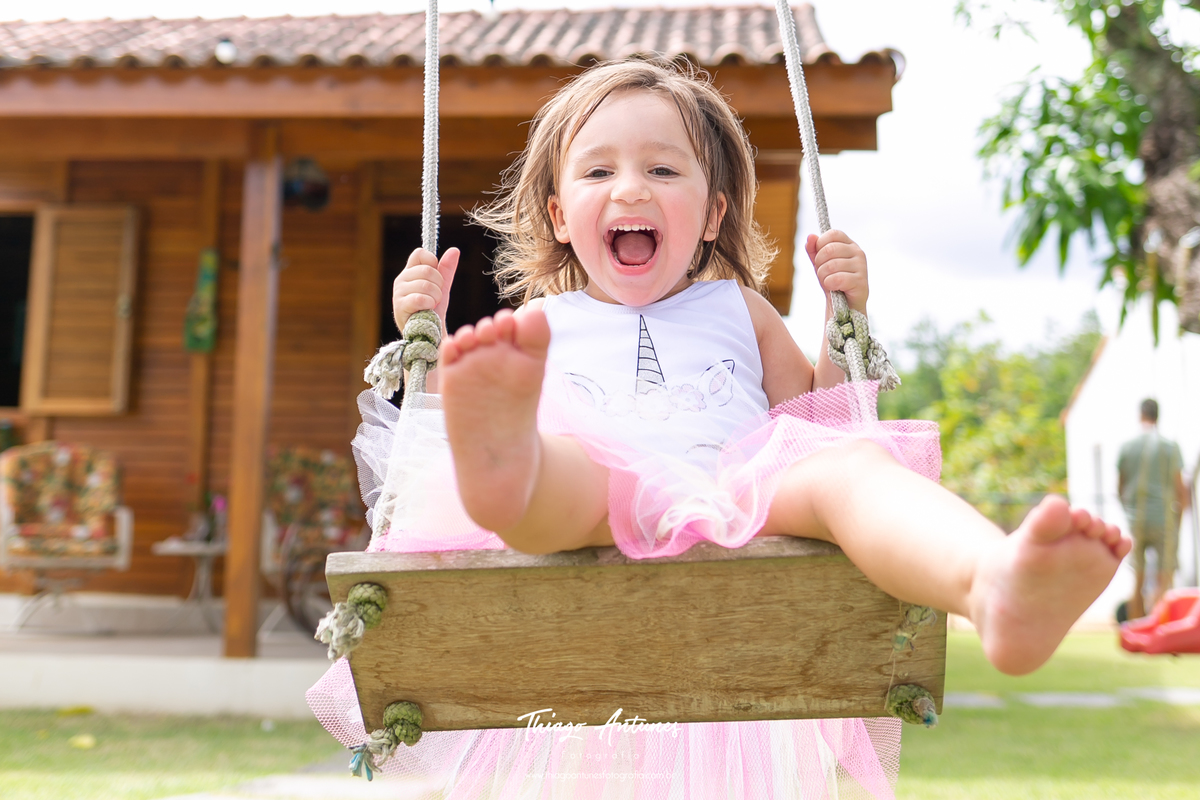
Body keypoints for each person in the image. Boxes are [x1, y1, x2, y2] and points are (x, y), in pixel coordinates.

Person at [310, 59, 1129, 798]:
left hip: (739, 497)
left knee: (850, 467)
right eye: (599, 171)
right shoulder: (538, 326)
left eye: (662, 169)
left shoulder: (740, 309)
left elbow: (820, 418)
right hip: (599, 499)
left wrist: (848, 322)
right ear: (561, 216)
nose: (630, 188)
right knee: (567, 472)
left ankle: (990, 581)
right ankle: (502, 463)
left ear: (712, 214)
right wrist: (421, 328)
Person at [1118, 398, 1191, 619]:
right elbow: (1180, 488)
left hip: (1136, 519)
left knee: (1137, 577)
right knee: (1165, 575)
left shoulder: (1128, 447)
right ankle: (1159, 625)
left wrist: (1128, 511)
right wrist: (1179, 518)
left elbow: (1119, 487)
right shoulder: (1169, 446)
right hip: (1164, 518)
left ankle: (1134, 627)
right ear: (1157, 416)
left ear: (1141, 415)